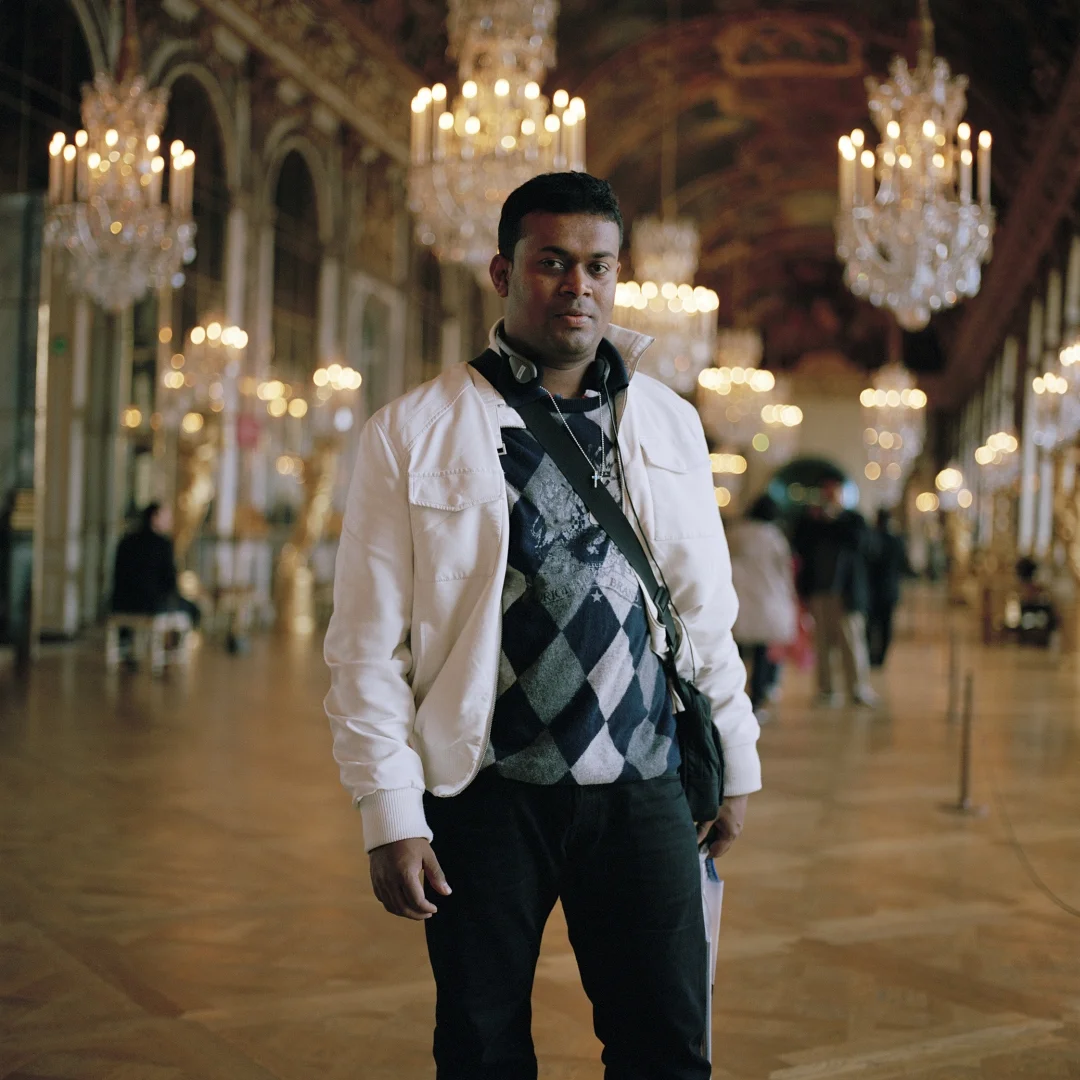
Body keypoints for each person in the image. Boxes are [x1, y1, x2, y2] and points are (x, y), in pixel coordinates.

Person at [324, 172, 761, 1080]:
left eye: (598, 266)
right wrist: (388, 811)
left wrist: (736, 761)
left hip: (644, 787)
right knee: (481, 1051)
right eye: (552, 262)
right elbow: (366, 649)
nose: (578, 286)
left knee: (668, 1051)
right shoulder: (412, 431)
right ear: (503, 272)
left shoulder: (672, 424)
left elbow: (704, 614)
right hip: (485, 795)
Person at [792, 479, 876, 706]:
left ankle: (858, 688)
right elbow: (800, 545)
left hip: (847, 593)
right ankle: (826, 690)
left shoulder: (853, 520)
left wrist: (834, 520)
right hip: (820, 591)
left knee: (852, 642)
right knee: (822, 644)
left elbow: (863, 544)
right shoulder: (812, 522)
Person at [727, 494, 797, 717]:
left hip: (738, 599)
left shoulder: (735, 533)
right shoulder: (774, 537)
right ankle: (756, 701)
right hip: (766, 600)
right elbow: (784, 571)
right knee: (761, 653)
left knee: (735, 653)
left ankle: (731, 699)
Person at [111, 502, 200, 639]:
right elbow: (170, 582)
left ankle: (127, 642)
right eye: (166, 517)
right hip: (150, 604)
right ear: (154, 517)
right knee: (192, 609)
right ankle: (172, 646)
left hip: (121, 602)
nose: (170, 521)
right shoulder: (163, 544)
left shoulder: (126, 541)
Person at [866, 507, 909, 667]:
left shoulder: (874, 539)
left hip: (874, 590)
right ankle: (880, 656)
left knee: (873, 624)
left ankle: (873, 655)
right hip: (888, 590)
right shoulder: (896, 541)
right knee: (885, 625)